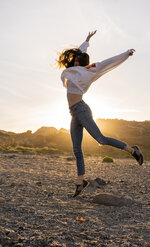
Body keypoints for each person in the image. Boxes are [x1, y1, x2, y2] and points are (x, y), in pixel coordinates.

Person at [57, 30, 143, 197]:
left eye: (77, 61)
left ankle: (132, 150)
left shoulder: (90, 70)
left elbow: (109, 62)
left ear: (82, 62)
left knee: (101, 139)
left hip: (82, 109)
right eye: (74, 61)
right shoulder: (74, 71)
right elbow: (81, 51)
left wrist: (126, 54)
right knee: (76, 149)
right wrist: (87, 41)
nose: (75, 63)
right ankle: (80, 183)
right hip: (73, 113)